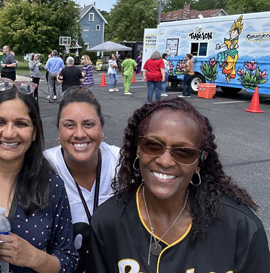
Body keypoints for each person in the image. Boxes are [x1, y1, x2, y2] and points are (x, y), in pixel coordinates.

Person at [90, 98, 270, 272]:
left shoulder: (241, 228)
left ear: (199, 162)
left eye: (184, 152)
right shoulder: (107, 222)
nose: (165, 161)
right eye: (153, 145)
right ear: (138, 148)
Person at [0, 87, 79, 272]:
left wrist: (34, 257)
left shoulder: (51, 186)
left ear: (34, 132)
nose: (9, 133)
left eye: (21, 124)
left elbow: (69, 260)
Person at [44, 86, 120, 272]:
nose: (79, 134)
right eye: (69, 125)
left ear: (101, 128)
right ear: (59, 131)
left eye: (88, 124)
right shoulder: (44, 167)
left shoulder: (121, 163)